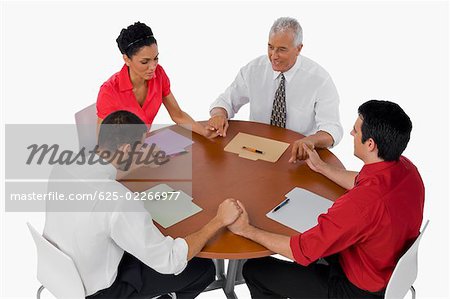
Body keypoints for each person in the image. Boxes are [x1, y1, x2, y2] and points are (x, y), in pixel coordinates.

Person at [225, 100, 424, 298]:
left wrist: (246, 230)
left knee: (255, 270)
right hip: (383, 265)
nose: (351, 134)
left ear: (370, 144)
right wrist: (322, 167)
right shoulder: (406, 169)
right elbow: (362, 181)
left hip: (356, 289)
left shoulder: (362, 204)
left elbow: (301, 251)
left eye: (356, 131)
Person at [44, 110, 242, 298]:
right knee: (202, 269)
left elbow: (105, 176)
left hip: (60, 272)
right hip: (101, 292)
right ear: (126, 149)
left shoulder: (63, 167)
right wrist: (218, 220)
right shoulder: (118, 200)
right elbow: (170, 260)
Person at [208, 17, 343, 162]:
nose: (273, 56)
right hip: (256, 151)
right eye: (270, 47)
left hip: (296, 156)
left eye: (281, 50)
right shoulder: (254, 69)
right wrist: (219, 115)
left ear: (299, 49)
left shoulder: (320, 80)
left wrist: (310, 141)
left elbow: (332, 130)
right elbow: (224, 102)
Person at [97, 22, 217, 138]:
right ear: (127, 59)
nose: (153, 67)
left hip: (144, 145)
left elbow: (177, 115)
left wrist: (204, 132)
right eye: (145, 62)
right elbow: (104, 144)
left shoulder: (158, 74)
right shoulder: (109, 91)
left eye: (156, 58)